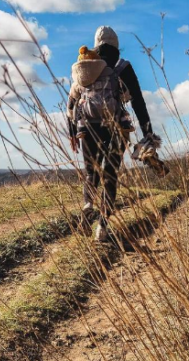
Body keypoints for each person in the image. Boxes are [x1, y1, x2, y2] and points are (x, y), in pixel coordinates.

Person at [67, 26, 153, 242]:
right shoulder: (122, 66)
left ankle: (88, 204)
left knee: (91, 172)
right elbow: (138, 102)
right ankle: (102, 228)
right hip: (115, 127)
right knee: (110, 175)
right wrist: (148, 135)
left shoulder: (85, 65)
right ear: (116, 44)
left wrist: (72, 132)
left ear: (96, 43)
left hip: (86, 127)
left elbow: (71, 102)